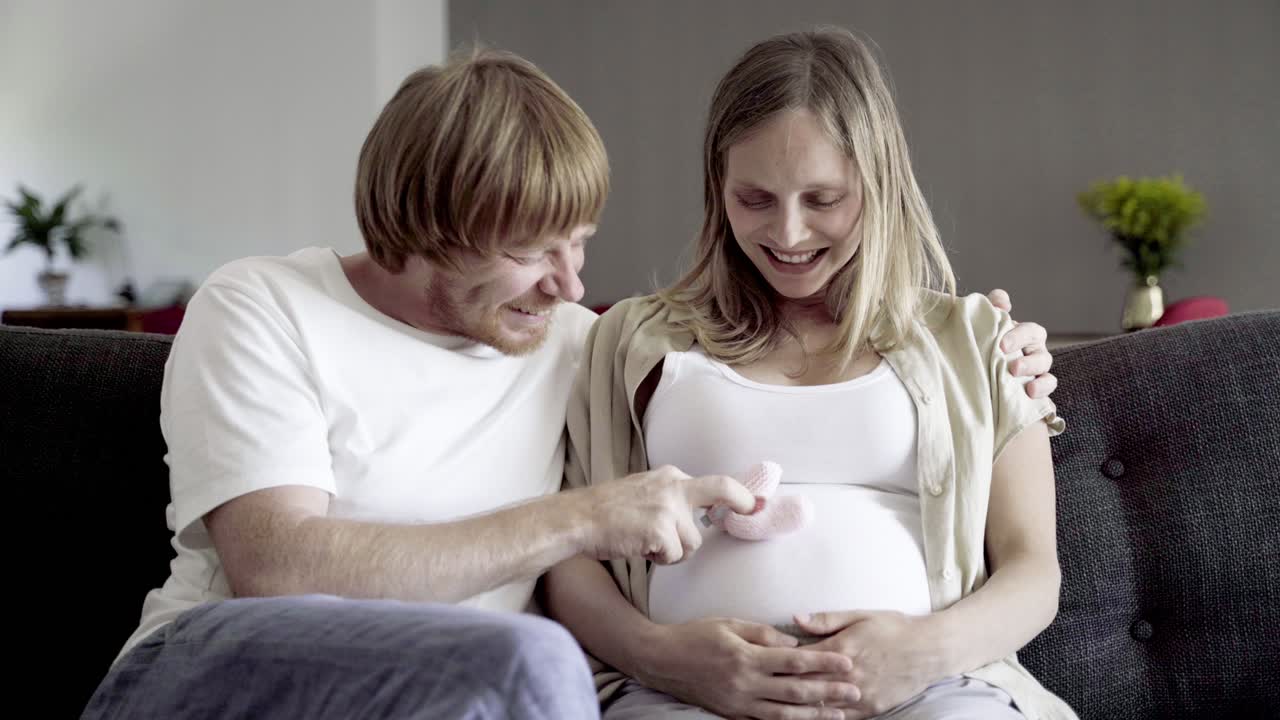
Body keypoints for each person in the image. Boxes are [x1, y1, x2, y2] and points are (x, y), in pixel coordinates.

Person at [83, 46, 1058, 719]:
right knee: (534, 664)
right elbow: (277, 572)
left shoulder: (574, 344)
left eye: (579, 244)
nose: (569, 284)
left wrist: (1005, 357)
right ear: (425, 230)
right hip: (216, 675)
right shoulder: (262, 305)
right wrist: (587, 518)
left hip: (470, 702)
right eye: (528, 251)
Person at [545, 28, 1077, 720]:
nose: (788, 235)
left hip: (930, 690)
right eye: (755, 199)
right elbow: (569, 550)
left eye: (823, 200)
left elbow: (1034, 572)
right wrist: (663, 659)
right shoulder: (631, 341)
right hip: (679, 695)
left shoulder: (977, 343)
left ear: (879, 186)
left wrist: (923, 652)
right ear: (717, 189)